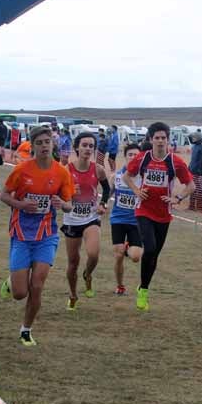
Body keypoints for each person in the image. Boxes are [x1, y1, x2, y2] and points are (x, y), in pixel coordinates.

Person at [0, 126, 75, 346]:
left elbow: (69, 205)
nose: (44, 146)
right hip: (22, 233)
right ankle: (12, 282)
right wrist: (21, 204)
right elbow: (4, 195)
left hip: (46, 235)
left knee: (37, 285)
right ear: (32, 146)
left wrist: (63, 205)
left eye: (47, 142)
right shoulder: (22, 170)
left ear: (53, 144)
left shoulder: (62, 172)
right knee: (20, 293)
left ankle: (26, 329)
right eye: (39, 143)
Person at [123, 122, 195, 311]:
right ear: (151, 139)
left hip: (163, 213)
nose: (161, 141)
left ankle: (143, 288)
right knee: (150, 247)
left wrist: (177, 197)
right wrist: (137, 191)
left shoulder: (175, 161)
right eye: (157, 138)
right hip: (143, 209)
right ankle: (143, 291)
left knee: (154, 254)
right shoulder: (142, 158)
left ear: (168, 140)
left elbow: (191, 185)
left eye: (164, 138)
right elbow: (126, 177)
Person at [61, 132, 111, 310]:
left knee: (93, 254)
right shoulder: (67, 169)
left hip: (91, 218)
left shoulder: (97, 169)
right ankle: (73, 294)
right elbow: (60, 194)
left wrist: (103, 204)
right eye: (84, 145)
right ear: (77, 147)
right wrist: (68, 193)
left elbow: (106, 189)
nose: (88, 149)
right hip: (72, 219)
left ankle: (88, 274)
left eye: (91, 146)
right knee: (73, 262)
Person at [110, 144, 145, 296]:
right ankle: (120, 286)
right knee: (118, 255)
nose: (132, 157)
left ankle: (127, 246)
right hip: (118, 220)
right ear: (125, 156)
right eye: (130, 154)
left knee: (136, 257)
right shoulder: (116, 176)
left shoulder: (144, 178)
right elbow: (107, 193)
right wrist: (102, 204)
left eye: (135, 155)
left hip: (136, 221)